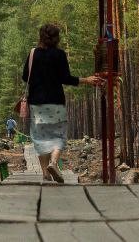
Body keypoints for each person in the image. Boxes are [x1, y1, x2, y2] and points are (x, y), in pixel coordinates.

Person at [21, 23, 103, 183]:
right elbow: (65, 78)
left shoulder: (33, 54)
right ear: (56, 38)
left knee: (40, 137)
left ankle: (45, 173)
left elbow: (26, 77)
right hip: (56, 102)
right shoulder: (59, 54)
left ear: (41, 37)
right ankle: (54, 162)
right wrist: (86, 80)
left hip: (37, 103)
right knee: (58, 135)